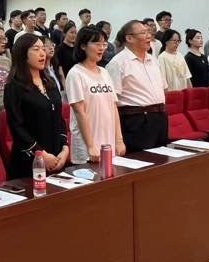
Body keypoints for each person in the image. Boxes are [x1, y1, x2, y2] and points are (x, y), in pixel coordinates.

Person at [4, 34, 69, 179]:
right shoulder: (14, 87)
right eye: (36, 49)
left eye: (43, 49)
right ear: (23, 53)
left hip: (56, 158)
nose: (42, 54)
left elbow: (59, 119)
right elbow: (17, 127)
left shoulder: (50, 82)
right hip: (29, 162)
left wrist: (64, 149)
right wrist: (41, 155)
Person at [106, 20, 168, 153]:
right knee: (141, 161)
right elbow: (111, 101)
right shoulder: (118, 63)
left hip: (160, 117)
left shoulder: (153, 60)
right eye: (143, 33)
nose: (149, 36)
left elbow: (163, 88)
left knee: (163, 159)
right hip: (136, 120)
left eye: (148, 32)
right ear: (129, 38)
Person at [66, 26, 125, 164]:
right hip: (88, 147)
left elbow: (113, 107)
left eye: (104, 44)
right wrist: (91, 145)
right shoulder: (76, 74)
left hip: (108, 143)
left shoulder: (104, 72)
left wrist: (119, 140)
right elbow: (79, 112)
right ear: (83, 46)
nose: (101, 48)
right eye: (97, 44)